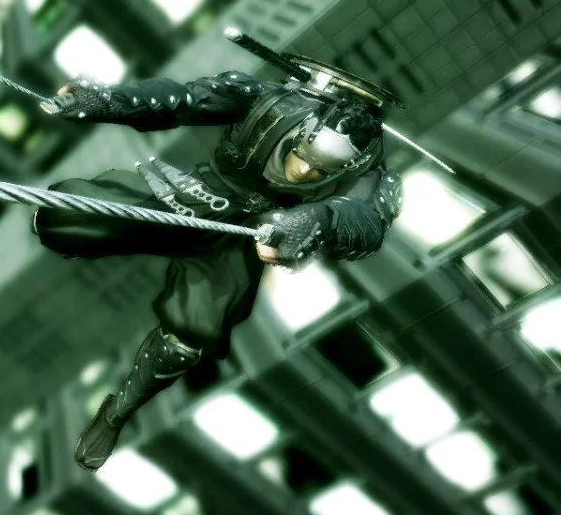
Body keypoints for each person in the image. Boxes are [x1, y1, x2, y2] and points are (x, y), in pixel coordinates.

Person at [31, 55, 404, 472]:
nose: (303, 171)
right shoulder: (270, 102)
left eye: (321, 170)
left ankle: (118, 413)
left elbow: (369, 221)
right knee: (61, 218)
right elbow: (184, 99)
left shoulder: (370, 168)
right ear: (304, 131)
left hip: (247, 234)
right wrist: (111, 100)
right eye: (304, 155)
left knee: (188, 338)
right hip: (198, 192)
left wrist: (318, 219)